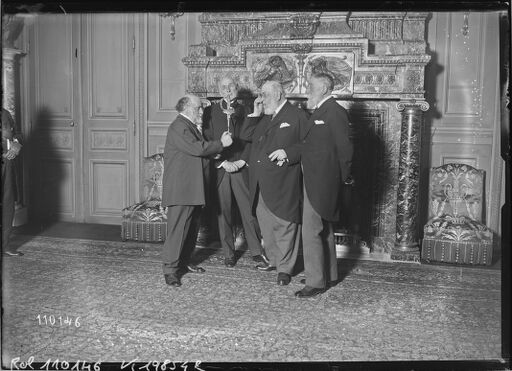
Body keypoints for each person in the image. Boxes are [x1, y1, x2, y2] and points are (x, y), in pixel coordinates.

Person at [270, 73, 353, 297]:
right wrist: (287, 153)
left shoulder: (335, 112)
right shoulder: (319, 111)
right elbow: (308, 146)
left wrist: (340, 180)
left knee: (310, 231)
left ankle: (316, 282)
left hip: (324, 181)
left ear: (325, 88)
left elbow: (345, 151)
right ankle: (328, 274)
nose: (307, 91)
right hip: (313, 180)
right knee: (323, 229)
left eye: (312, 87)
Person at [240, 80, 308, 286]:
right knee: (266, 225)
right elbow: (246, 135)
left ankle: (285, 269)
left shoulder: (297, 115)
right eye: (260, 95)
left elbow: (311, 143)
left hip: (283, 181)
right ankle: (274, 261)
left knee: (285, 224)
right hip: (261, 182)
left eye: (264, 95)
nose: (261, 99)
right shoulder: (265, 117)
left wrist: (289, 153)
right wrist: (255, 113)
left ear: (278, 94)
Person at [161, 95, 233, 287]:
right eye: (198, 108)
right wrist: (220, 144)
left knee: (191, 229)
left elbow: (194, 153)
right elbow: (196, 148)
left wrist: (212, 153)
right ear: (185, 107)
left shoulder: (189, 126)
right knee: (177, 231)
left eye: (201, 108)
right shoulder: (179, 126)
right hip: (182, 189)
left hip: (192, 188)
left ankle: (184, 262)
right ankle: (170, 270)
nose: (202, 112)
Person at [203, 76, 270, 269]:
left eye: (231, 86)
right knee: (223, 213)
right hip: (221, 168)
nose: (227, 90)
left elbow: (253, 140)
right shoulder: (209, 111)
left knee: (249, 211)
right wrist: (223, 162)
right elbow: (207, 140)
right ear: (219, 89)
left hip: (241, 168)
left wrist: (241, 161)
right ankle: (228, 253)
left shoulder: (248, 110)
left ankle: (257, 252)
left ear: (237, 88)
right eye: (223, 87)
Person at [2, 108, 23, 257]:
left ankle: (4, 245)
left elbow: (17, 134)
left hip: (7, 165)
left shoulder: (5, 113)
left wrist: (16, 144)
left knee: (7, 205)